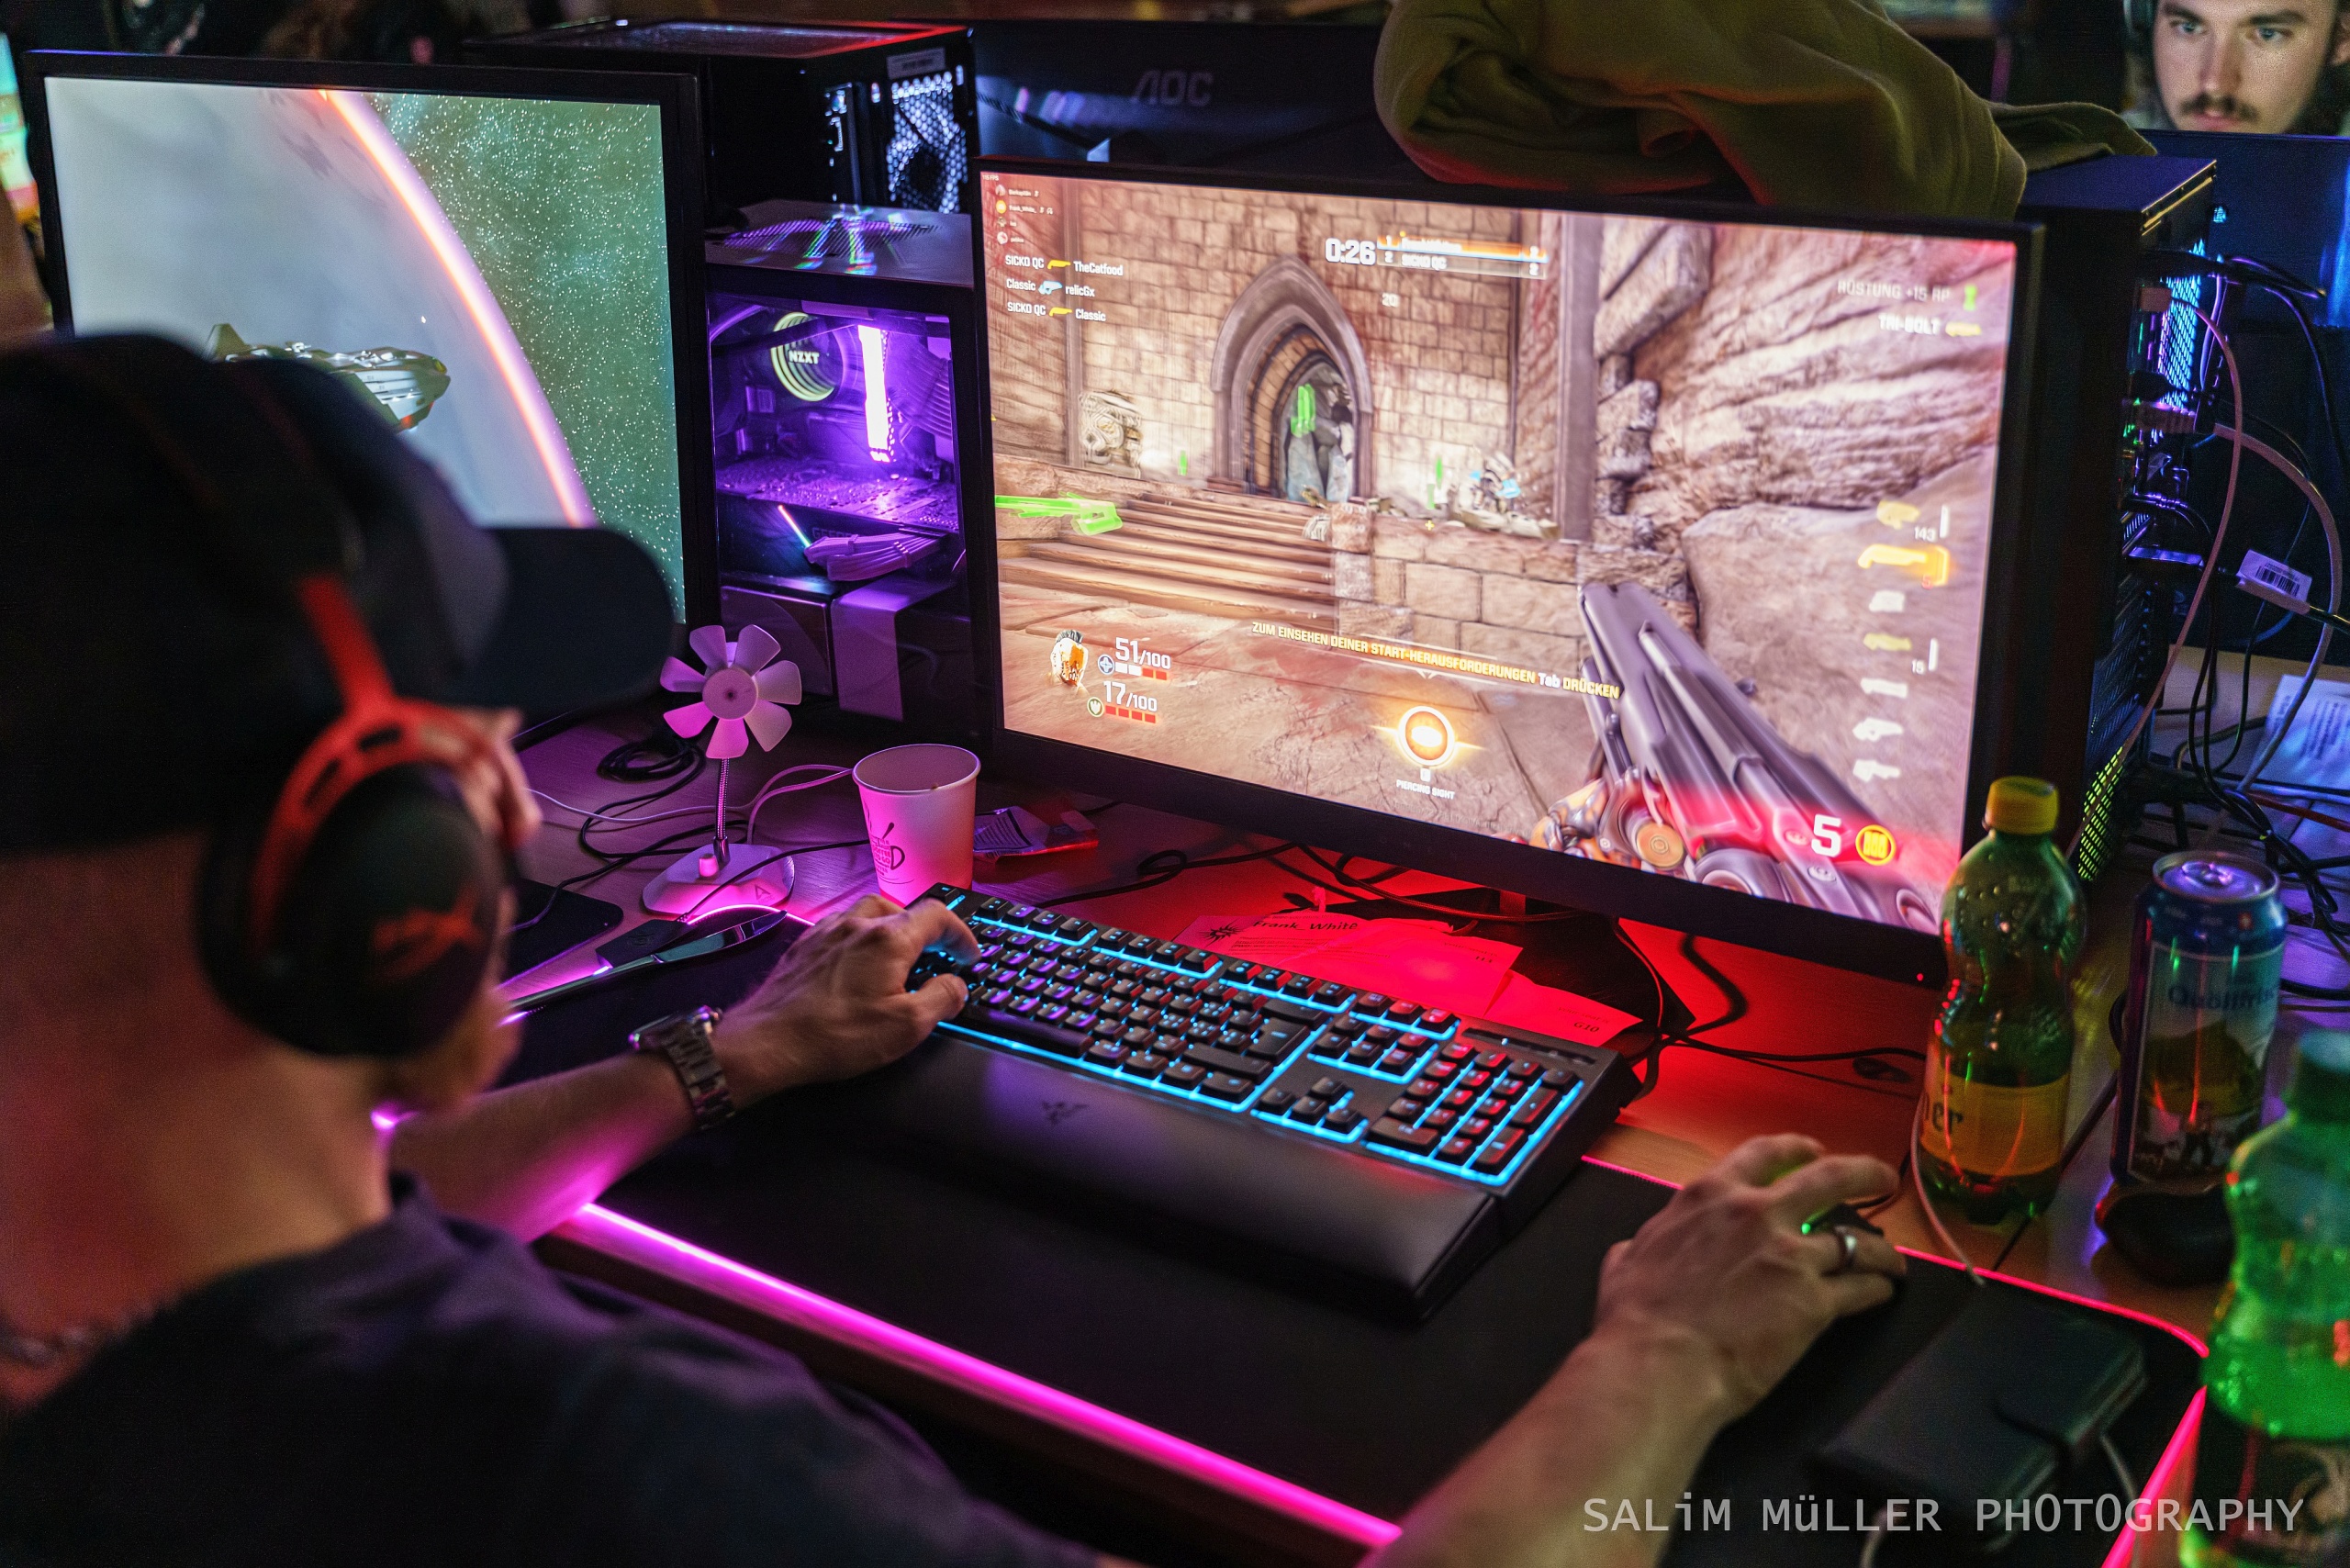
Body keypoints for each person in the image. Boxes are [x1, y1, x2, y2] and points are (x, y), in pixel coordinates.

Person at [0, 334, 1907, 1567]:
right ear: (379, 887)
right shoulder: (608, 1467)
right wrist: (1660, 1357)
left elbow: (373, 1205)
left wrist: (715, 1058)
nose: (514, 802)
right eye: (479, 748)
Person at [2126, 0, 2350, 133]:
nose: (2215, 84)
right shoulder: (2108, 163)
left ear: (2342, 38)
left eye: (2267, 33)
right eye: (2189, 27)